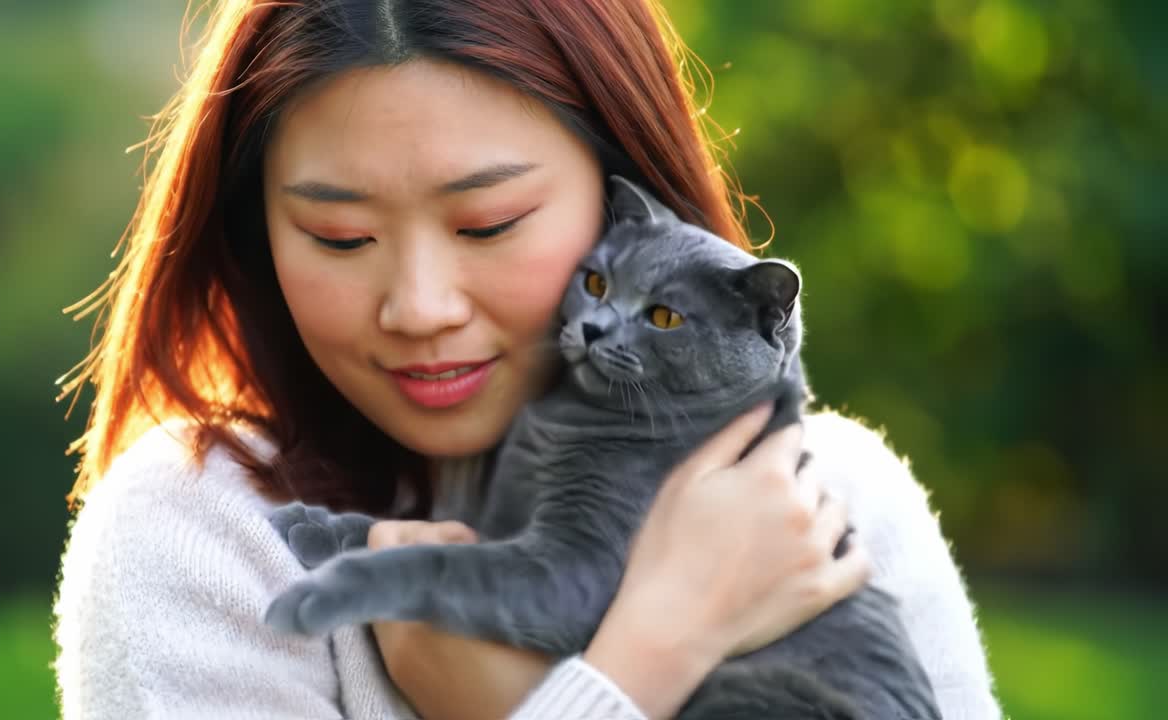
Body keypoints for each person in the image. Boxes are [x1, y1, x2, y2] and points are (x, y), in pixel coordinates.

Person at [52, 1, 1002, 718]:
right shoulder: (208, 538)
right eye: (339, 237)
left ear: (623, 193)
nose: (420, 308)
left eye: (489, 224)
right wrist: (644, 657)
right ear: (257, 233)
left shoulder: (827, 502)